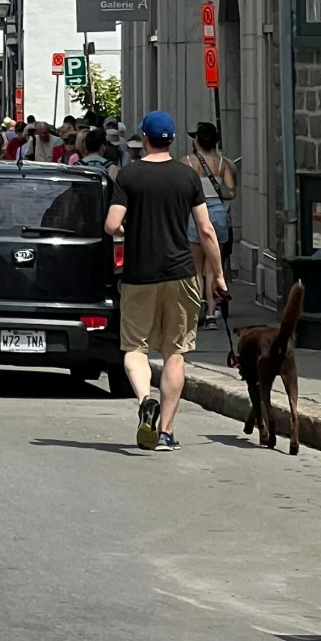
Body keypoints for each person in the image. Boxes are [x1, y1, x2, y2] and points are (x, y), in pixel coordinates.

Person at [104, 110, 228, 451]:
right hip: (181, 273)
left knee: (134, 349)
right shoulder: (187, 178)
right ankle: (167, 433)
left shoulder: (129, 176)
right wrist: (217, 275)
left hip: (139, 274)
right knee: (175, 353)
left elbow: (112, 225)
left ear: (144, 137)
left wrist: (132, 231)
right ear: (172, 139)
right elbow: (205, 230)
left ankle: (145, 398)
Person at [185, 120, 237, 310]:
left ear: (197, 140)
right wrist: (216, 193)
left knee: (196, 266)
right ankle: (213, 313)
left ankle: (197, 308)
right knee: (214, 266)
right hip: (217, 212)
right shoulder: (223, 163)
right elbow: (231, 192)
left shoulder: (187, 162)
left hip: (196, 213)